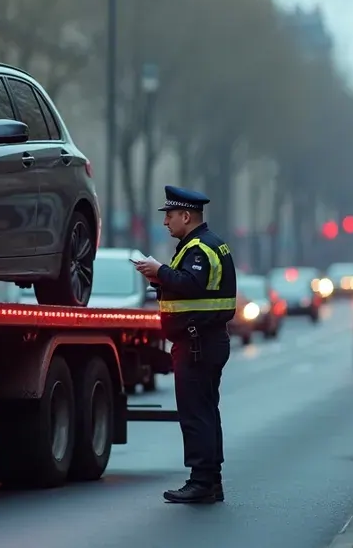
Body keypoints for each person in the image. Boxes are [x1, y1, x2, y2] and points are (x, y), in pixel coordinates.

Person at [132, 185, 235, 504]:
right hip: (204, 340)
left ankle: (201, 481)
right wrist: (160, 279)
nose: (166, 222)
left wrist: (160, 271)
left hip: (197, 343)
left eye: (170, 215)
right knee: (206, 411)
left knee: (196, 414)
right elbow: (200, 290)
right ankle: (210, 480)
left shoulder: (200, 248)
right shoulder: (209, 245)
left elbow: (190, 284)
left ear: (186, 216)